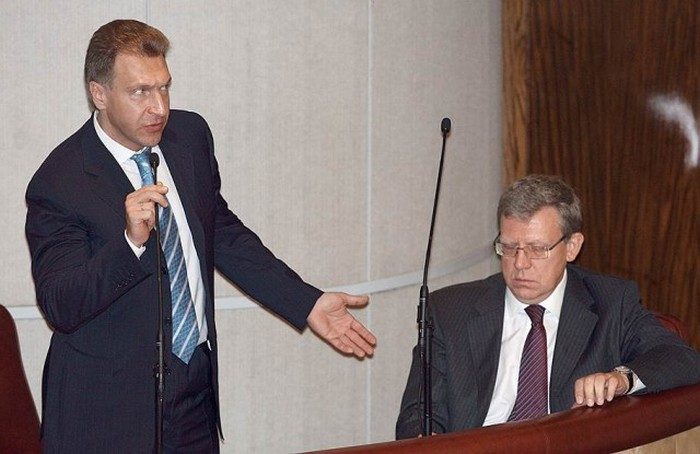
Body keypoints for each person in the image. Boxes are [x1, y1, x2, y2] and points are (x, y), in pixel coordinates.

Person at [25, 19, 376, 453]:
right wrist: (130, 243)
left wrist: (306, 301)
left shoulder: (188, 137)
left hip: (193, 392)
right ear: (99, 94)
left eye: (164, 87)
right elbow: (61, 305)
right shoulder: (60, 181)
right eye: (140, 92)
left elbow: (222, 234)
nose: (159, 108)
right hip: (108, 413)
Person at [395, 174, 700, 438]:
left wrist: (621, 378)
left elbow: (682, 359)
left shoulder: (611, 303)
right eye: (509, 247)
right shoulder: (450, 311)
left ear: (572, 247)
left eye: (537, 249)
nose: (520, 263)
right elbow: (417, 415)